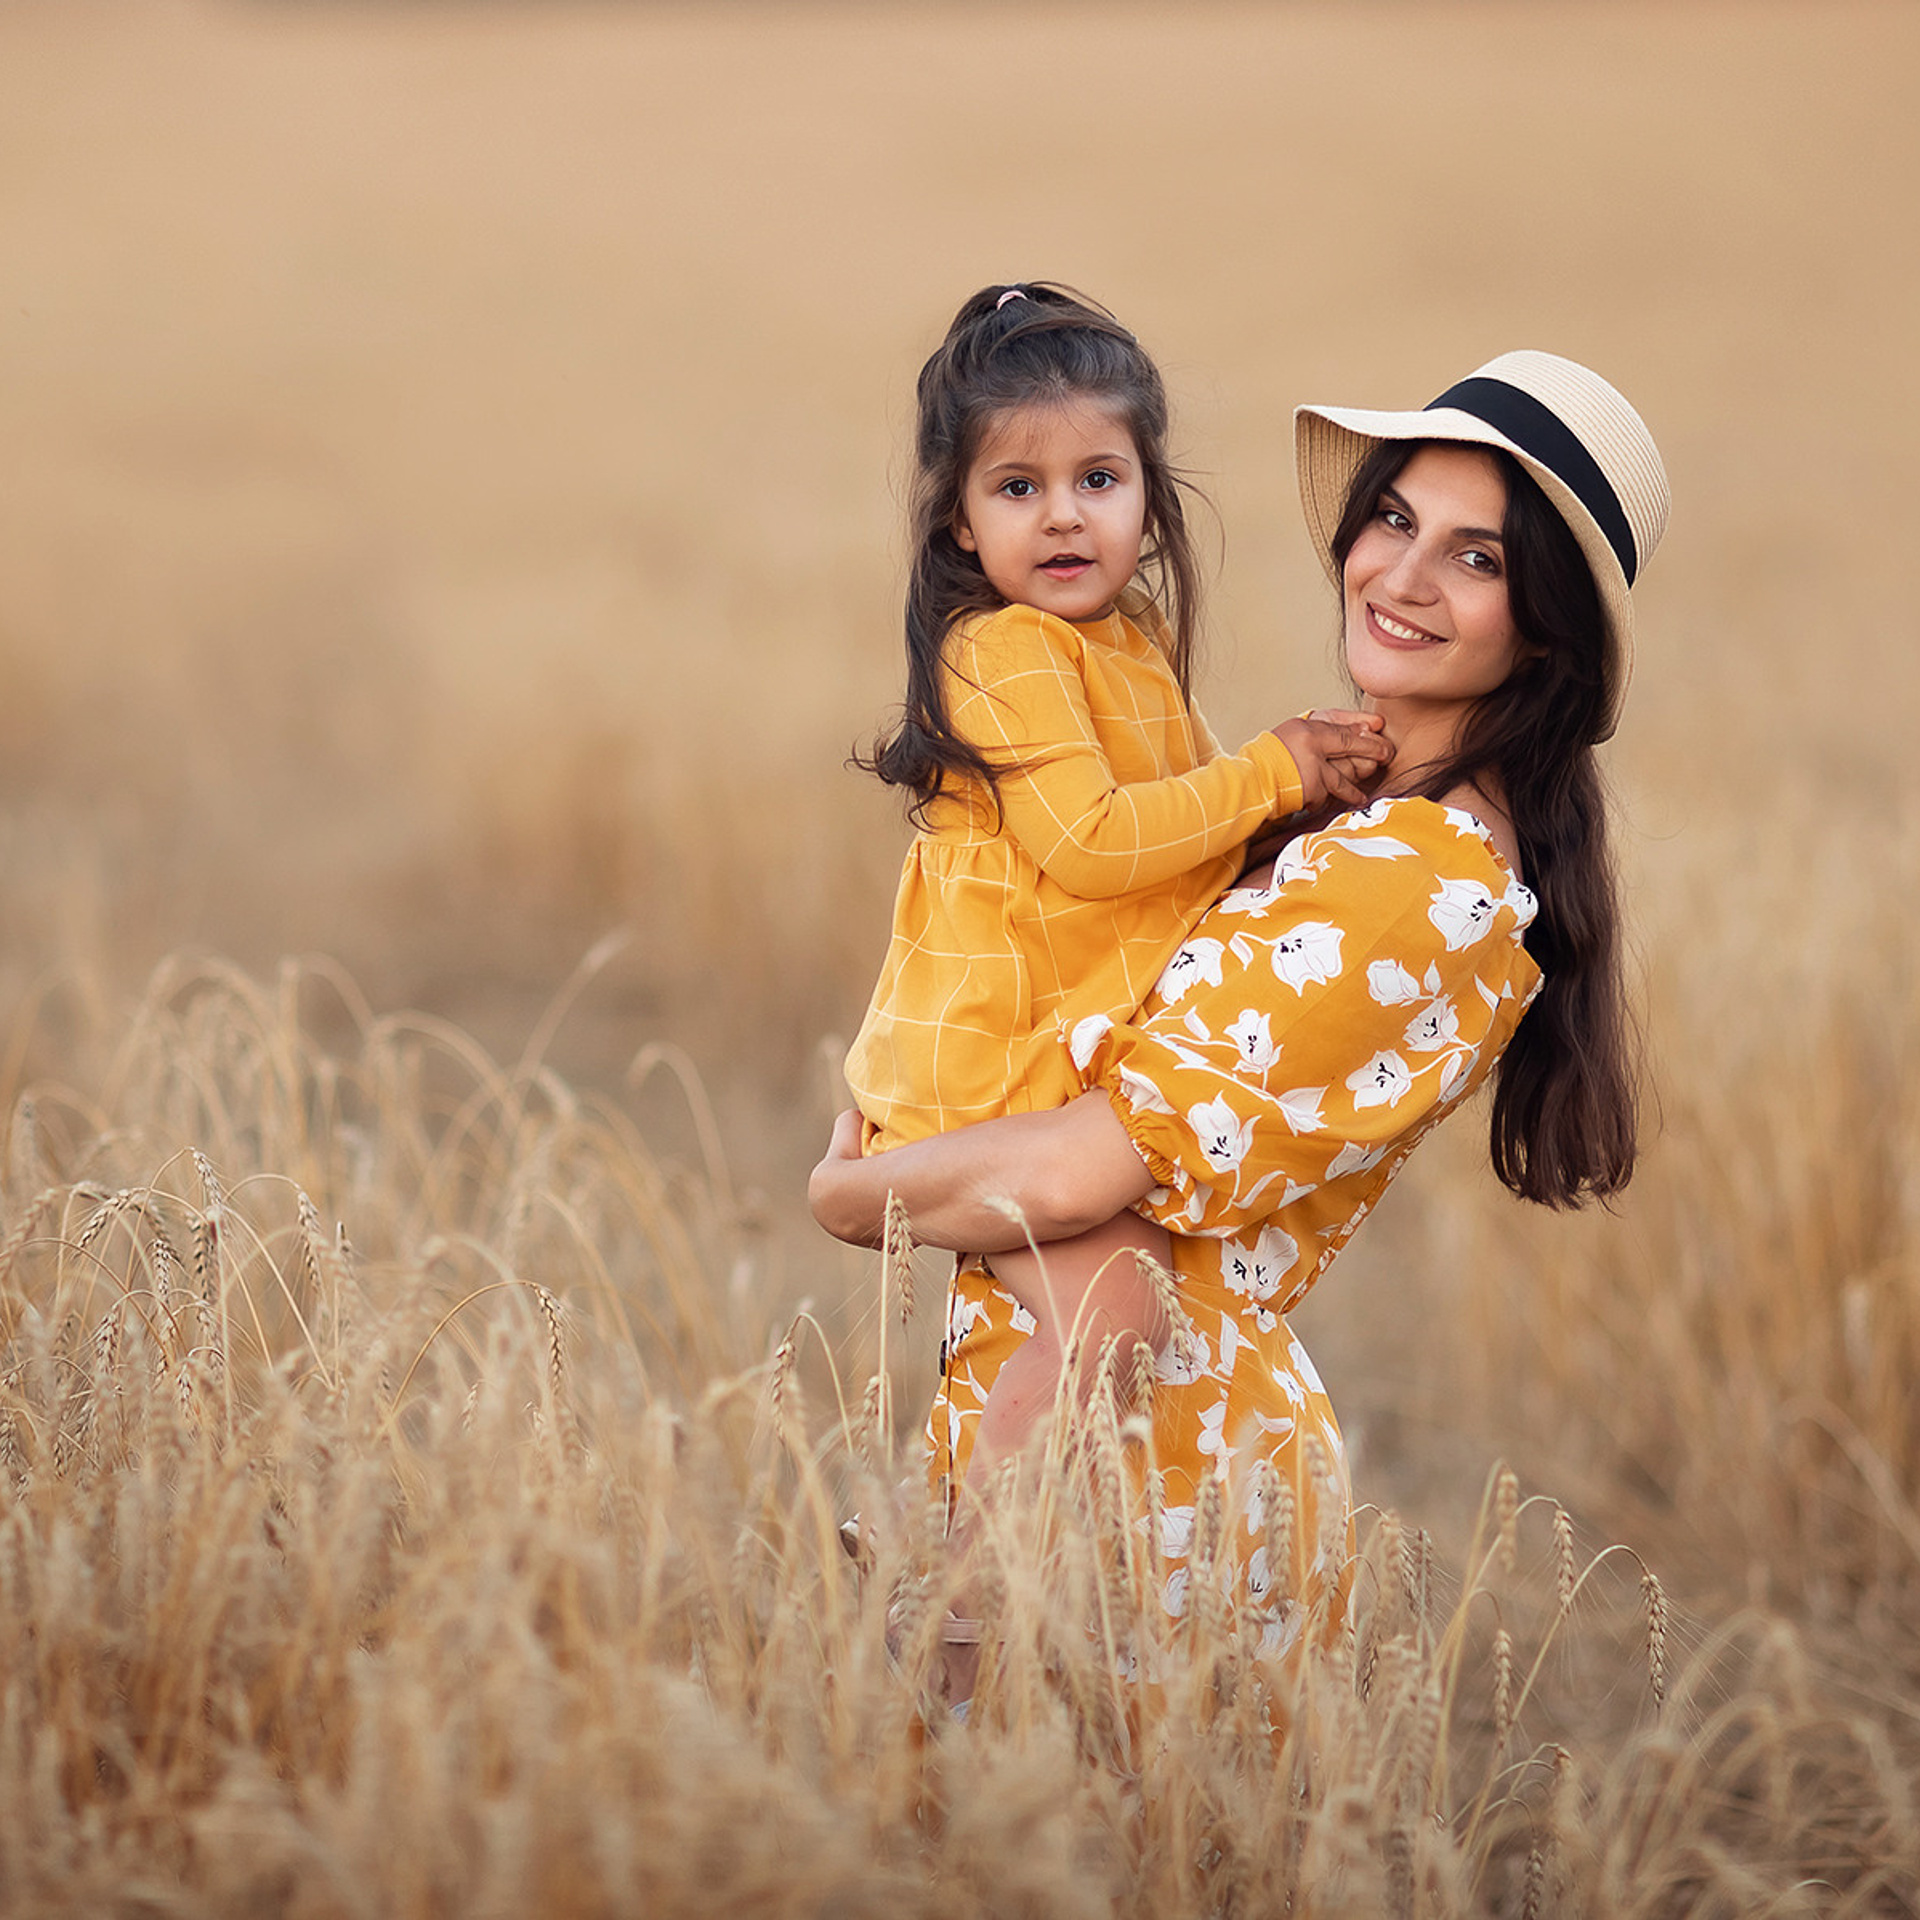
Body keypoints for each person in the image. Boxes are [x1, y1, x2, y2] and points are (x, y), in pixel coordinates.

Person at [815, 347, 1671, 1682]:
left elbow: (1085, 1165)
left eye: (1477, 559)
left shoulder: (1420, 881)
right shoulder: (1350, 821)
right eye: (1393, 519)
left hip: (1155, 1494)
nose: (1401, 574)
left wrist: (852, 1191)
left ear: (1545, 626)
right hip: (1056, 1435)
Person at [843, 283, 1389, 1506]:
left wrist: (1306, 801)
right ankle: (953, 1588)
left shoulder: (1128, 642)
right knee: (1116, 1321)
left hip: (1056, 1064)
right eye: (1017, 487)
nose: (1063, 517)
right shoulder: (1002, 649)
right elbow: (1091, 844)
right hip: (986, 1071)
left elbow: (1191, 830)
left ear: (1150, 501)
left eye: (1099, 478)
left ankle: (976, 1576)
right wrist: (1269, 771)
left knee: (1121, 1318)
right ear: (959, 528)